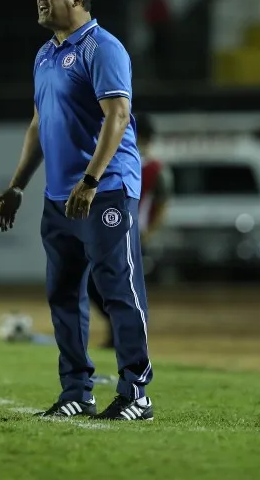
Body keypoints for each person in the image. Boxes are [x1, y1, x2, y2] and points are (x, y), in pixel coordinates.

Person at [0, 0, 153, 421]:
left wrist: (91, 179)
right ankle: (77, 391)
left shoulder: (103, 48)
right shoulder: (44, 54)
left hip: (104, 191)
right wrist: (17, 186)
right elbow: (40, 124)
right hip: (59, 198)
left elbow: (117, 116)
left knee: (119, 290)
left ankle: (136, 393)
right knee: (63, 295)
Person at [88, 112, 171, 349]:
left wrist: (148, 233)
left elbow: (163, 203)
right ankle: (119, 328)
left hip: (132, 236)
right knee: (94, 283)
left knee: (119, 286)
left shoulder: (155, 168)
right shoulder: (114, 159)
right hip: (107, 233)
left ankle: (125, 334)